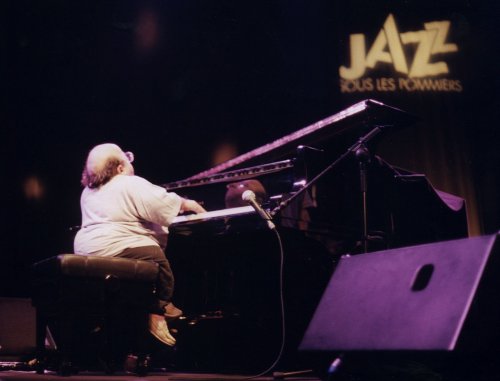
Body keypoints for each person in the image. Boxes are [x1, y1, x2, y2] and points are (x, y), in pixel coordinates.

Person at [74, 143, 206, 346]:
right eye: (127, 160)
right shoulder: (128, 182)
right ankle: (158, 310)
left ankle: (132, 316)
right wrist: (190, 204)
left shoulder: (87, 193)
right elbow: (160, 203)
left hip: (86, 250)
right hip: (116, 245)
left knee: (144, 259)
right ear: (119, 167)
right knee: (160, 265)